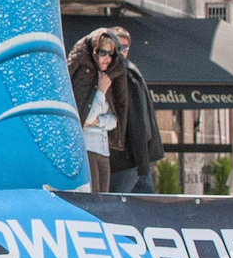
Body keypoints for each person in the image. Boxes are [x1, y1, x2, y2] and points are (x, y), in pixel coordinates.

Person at [67, 29, 128, 195]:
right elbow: (85, 117)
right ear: (95, 51)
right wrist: (101, 91)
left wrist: (98, 121)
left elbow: (114, 120)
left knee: (104, 199)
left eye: (111, 54)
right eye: (103, 53)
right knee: (92, 198)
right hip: (86, 147)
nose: (107, 58)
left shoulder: (109, 76)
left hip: (103, 149)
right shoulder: (91, 80)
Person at [107, 26, 163, 194]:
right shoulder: (128, 70)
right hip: (136, 158)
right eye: (118, 46)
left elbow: (139, 120)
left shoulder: (125, 73)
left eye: (125, 47)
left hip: (129, 158)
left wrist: (141, 162)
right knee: (146, 211)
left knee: (112, 209)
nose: (122, 51)